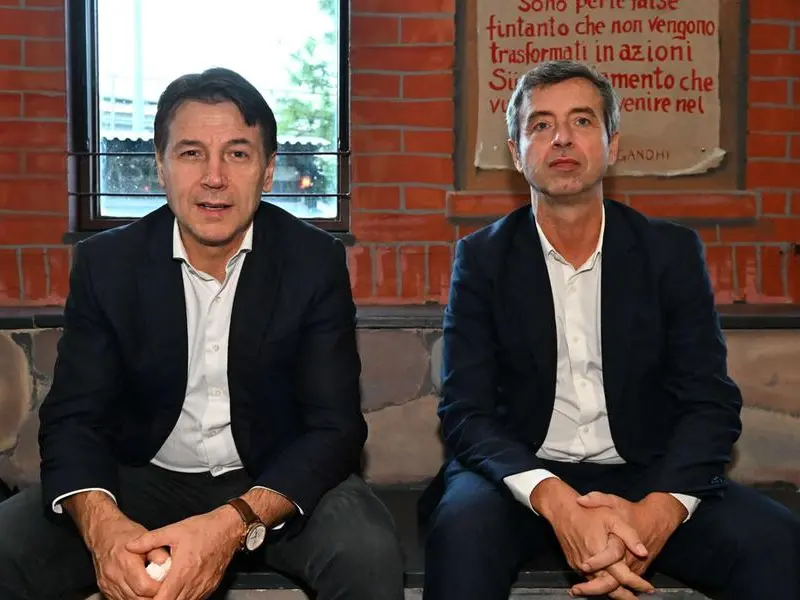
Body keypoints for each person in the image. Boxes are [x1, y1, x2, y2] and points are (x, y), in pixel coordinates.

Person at [0, 67, 404, 600]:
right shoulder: (107, 264)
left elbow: (335, 429)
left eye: (237, 154)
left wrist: (232, 523)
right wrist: (105, 530)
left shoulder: (313, 262)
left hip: (270, 476)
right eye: (191, 153)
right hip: (141, 474)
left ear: (267, 171)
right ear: (161, 167)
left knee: (367, 551)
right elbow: (75, 420)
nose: (214, 177)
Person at [420, 59, 800, 600]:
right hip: (524, 478)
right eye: (541, 125)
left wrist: (656, 514)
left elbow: (710, 403)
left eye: (582, 121)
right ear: (516, 153)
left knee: (777, 543)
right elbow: (465, 411)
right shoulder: (482, 259)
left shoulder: (669, 252)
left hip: (648, 471)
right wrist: (556, 502)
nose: (561, 138)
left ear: (612, 145)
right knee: (460, 536)